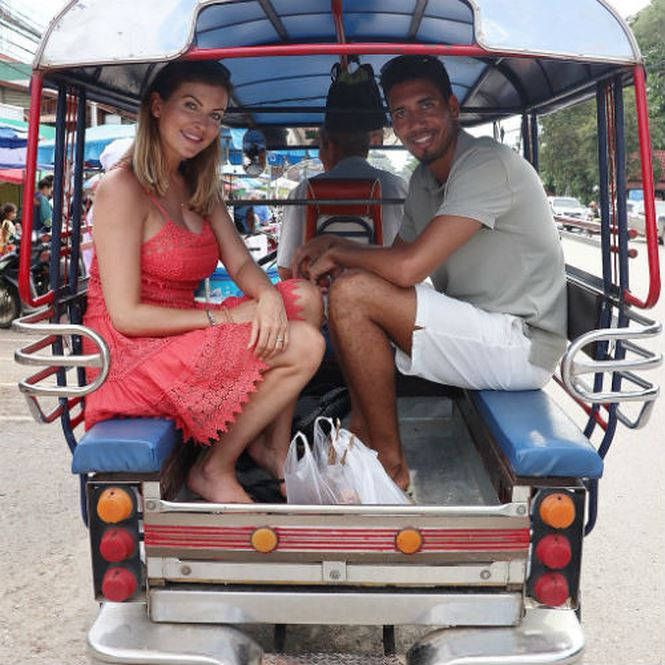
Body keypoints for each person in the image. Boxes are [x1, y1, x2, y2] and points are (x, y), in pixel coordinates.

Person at [292, 55, 567, 490]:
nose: (415, 123)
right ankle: (362, 429)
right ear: (392, 124)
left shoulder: (485, 165)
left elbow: (407, 269)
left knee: (353, 293)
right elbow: (395, 258)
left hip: (521, 344)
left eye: (426, 105)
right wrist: (333, 249)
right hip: (481, 328)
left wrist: (340, 250)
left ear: (452, 108)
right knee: (351, 287)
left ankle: (390, 466)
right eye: (401, 113)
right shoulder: (424, 179)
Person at [82, 60, 325, 504]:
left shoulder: (197, 185)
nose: (202, 125)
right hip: (132, 349)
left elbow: (241, 263)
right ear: (158, 106)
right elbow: (126, 316)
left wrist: (267, 296)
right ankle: (213, 468)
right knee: (305, 344)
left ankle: (271, 447)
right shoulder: (121, 188)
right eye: (190, 106)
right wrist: (227, 317)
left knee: (304, 298)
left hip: (183, 325)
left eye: (214, 115)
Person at [277, 127, 408, 281]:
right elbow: (411, 262)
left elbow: (287, 270)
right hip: (388, 293)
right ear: (368, 145)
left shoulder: (302, 192)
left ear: (329, 144)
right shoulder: (398, 187)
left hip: (319, 294)